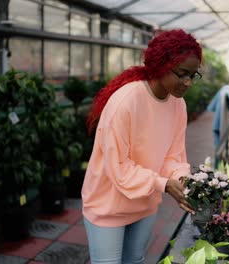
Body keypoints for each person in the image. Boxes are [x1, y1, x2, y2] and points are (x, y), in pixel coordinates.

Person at [82, 29, 201, 264]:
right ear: (161, 65)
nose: (188, 82)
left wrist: (183, 181)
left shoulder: (178, 105)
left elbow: (173, 155)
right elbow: (119, 167)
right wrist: (163, 184)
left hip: (145, 202)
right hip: (108, 204)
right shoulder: (126, 102)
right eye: (182, 74)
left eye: (193, 75)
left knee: (135, 260)